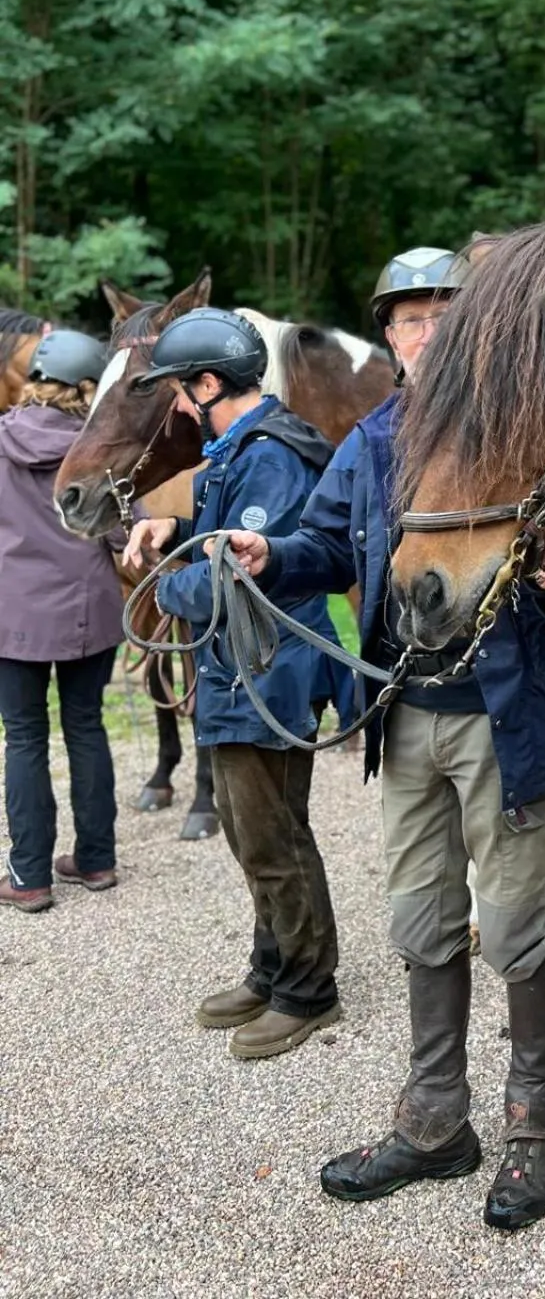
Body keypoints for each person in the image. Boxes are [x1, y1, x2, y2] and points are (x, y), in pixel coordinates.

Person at [221, 246, 545, 1230]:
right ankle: (436, 1123)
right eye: (409, 319)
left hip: (503, 721)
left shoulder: (523, 427)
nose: (425, 334)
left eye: (443, 316)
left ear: (476, 331)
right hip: (407, 716)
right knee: (421, 919)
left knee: (512, 924)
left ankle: (537, 1125)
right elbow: (324, 542)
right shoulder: (374, 438)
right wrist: (270, 554)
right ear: (388, 336)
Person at [122, 308, 345, 1059]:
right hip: (241, 671)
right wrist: (176, 533)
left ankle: (308, 990)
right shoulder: (239, 450)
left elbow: (239, 575)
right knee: (252, 833)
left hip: (267, 673)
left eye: (181, 390)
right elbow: (227, 541)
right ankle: (272, 968)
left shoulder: (269, 455)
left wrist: (167, 582)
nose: (180, 405)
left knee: (273, 835)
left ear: (210, 384)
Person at [0, 330, 125, 912]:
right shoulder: (100, 449)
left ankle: (29, 877)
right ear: (87, 386)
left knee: (24, 737)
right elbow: (124, 533)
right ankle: (96, 860)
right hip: (87, 612)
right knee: (86, 726)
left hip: (13, 617)